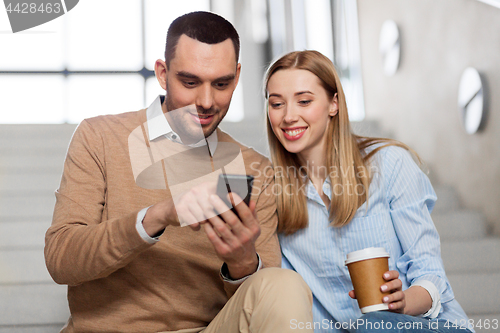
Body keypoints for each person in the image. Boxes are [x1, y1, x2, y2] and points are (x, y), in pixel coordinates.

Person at [45, 12, 313, 333]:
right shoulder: (99, 137)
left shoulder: (255, 168)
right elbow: (61, 259)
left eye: (222, 84)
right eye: (189, 82)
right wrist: (157, 216)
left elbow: (266, 302)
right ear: (162, 73)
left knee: (284, 283)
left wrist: (243, 262)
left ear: (237, 77)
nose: (206, 101)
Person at [264, 50, 474, 333]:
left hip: (426, 325)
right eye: (276, 103)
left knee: (376, 324)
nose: (289, 116)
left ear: (333, 104)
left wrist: (402, 303)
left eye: (304, 101)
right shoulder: (273, 192)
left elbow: (431, 275)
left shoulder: (388, 164)